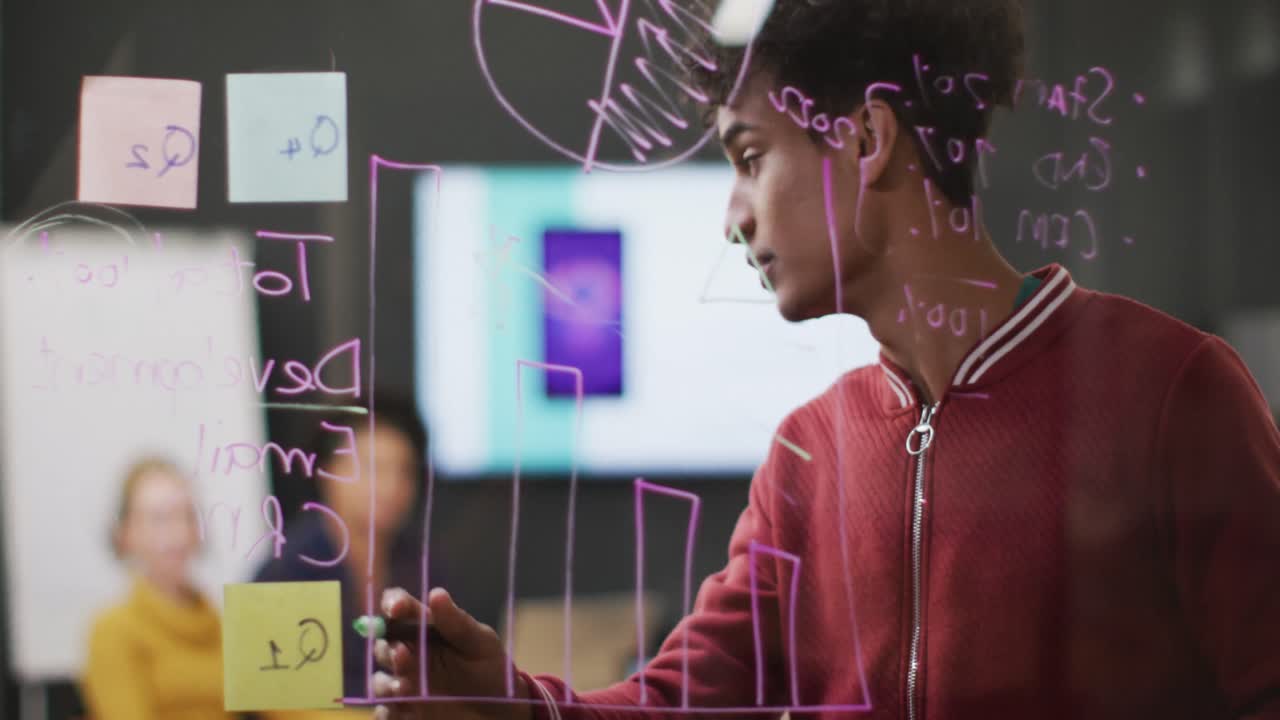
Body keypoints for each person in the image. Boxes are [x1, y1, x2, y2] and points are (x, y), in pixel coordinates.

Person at [370, 1, 1280, 718]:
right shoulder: (811, 453)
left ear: (865, 139)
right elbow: (677, 707)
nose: (734, 216)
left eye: (750, 156)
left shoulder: (1168, 392)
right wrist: (514, 709)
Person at [255, 393, 435, 709]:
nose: (392, 485)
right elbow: (283, 707)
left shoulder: (419, 564)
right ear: (328, 473)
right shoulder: (283, 572)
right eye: (374, 468)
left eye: (404, 470)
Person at [82, 458, 235, 720]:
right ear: (126, 534)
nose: (177, 532)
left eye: (186, 515)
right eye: (159, 519)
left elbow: (287, 705)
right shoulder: (112, 630)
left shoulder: (223, 626)